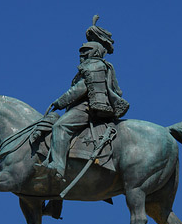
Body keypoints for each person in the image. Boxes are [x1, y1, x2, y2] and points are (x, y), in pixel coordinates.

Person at [43, 15, 129, 180]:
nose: (81, 57)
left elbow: (80, 89)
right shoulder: (103, 66)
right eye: (81, 53)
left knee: (60, 127)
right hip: (88, 106)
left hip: (87, 108)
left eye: (85, 53)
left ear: (95, 52)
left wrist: (59, 102)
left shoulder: (94, 66)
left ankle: (58, 167)